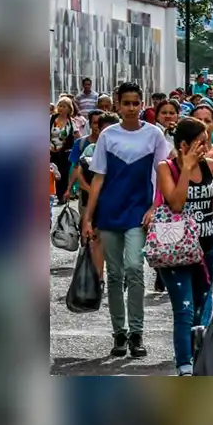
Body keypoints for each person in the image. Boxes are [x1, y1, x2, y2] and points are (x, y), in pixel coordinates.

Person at [83, 81, 171, 358]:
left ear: (142, 104)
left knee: (134, 267)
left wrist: (154, 208)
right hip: (109, 213)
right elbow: (98, 178)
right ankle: (119, 334)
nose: (131, 108)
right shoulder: (107, 136)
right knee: (115, 274)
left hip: (138, 212)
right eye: (126, 103)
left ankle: (137, 333)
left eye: (136, 103)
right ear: (118, 105)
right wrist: (88, 217)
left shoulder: (155, 135)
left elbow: (162, 175)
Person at [156, 117, 213, 376]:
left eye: (207, 143)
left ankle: (199, 360)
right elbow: (175, 203)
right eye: (200, 143)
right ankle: (184, 366)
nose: (205, 149)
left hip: (206, 248)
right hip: (176, 251)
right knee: (184, 309)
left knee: (201, 308)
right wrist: (185, 169)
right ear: (183, 145)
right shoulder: (166, 168)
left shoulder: (211, 166)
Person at [73, 112, 120, 275]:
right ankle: (99, 277)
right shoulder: (91, 149)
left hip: (117, 202)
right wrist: (90, 190)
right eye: (105, 130)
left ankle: (120, 272)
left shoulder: (123, 150)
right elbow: (79, 173)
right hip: (95, 201)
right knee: (96, 238)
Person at [50, 97, 77, 204]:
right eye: (60, 105)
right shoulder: (51, 119)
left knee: (64, 173)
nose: (61, 108)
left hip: (65, 152)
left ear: (69, 109)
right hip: (51, 151)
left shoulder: (71, 122)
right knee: (53, 173)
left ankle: (62, 196)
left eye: (64, 106)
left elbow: (76, 135)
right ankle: (54, 194)